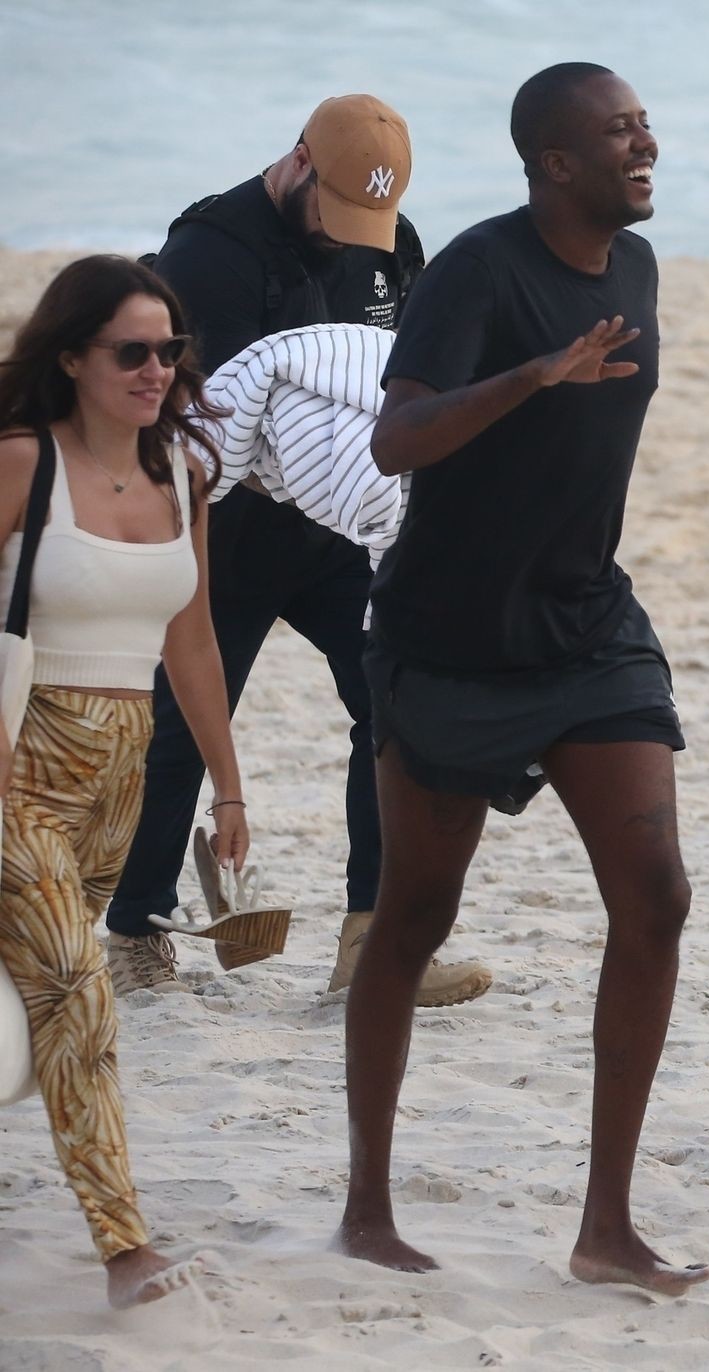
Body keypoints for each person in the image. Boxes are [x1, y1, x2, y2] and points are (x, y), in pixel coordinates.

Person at [332, 63, 709, 1296]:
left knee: (656, 894)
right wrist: (533, 376)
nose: (645, 145)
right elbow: (395, 439)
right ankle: (367, 1205)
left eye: (645, 125)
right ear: (555, 161)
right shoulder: (478, 273)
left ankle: (608, 1227)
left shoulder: (636, 269)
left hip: (587, 625)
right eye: (619, 132)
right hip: (449, 640)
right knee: (414, 916)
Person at [103, 94, 491, 1007]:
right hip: (228, 530)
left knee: (394, 708)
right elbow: (204, 417)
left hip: (337, 529)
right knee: (180, 732)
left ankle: (373, 944)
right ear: (300, 161)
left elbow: (405, 380)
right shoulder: (209, 254)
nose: (354, 238)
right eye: (340, 210)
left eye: (373, 220)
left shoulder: (392, 244)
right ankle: (135, 930)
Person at [0, 255, 249, 1306]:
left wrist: (228, 788)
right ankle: (124, 1248)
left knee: (34, 1004)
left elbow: (191, 640)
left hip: (120, 782)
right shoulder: (23, 462)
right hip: (18, 767)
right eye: (132, 352)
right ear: (72, 359)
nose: (157, 371)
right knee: (78, 990)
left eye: (170, 350)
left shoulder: (183, 473)